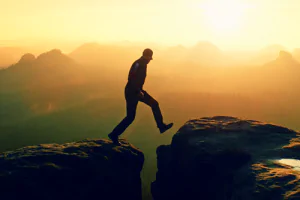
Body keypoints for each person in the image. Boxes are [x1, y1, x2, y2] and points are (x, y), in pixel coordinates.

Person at [108, 48, 173, 145]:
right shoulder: (138, 64)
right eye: (149, 58)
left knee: (154, 104)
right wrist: (138, 91)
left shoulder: (142, 64)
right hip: (132, 92)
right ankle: (114, 134)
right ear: (146, 56)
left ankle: (161, 126)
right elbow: (131, 78)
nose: (150, 60)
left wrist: (139, 90)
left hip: (137, 91)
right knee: (131, 117)